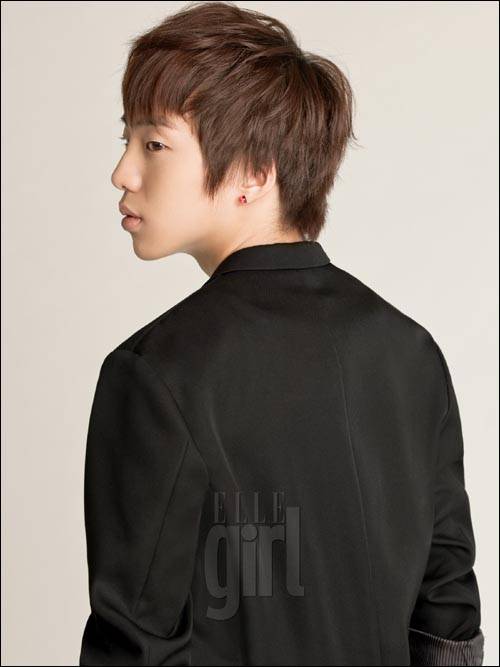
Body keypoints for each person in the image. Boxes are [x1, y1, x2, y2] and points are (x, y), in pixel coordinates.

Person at [79, 1, 484, 665]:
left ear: (254, 171)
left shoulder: (154, 372)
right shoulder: (411, 353)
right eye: (128, 139)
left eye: (154, 143)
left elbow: (133, 644)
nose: (123, 171)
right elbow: (448, 620)